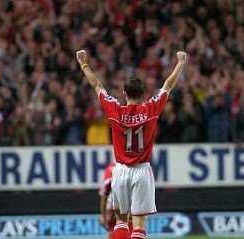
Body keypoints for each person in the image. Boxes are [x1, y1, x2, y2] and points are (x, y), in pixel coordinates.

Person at [77, 49, 187, 239]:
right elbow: (168, 85)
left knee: (120, 221)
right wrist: (180, 63)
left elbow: (97, 85)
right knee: (138, 225)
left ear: (124, 92)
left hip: (120, 171)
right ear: (144, 93)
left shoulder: (115, 110)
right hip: (142, 171)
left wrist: (83, 63)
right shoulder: (151, 108)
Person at [99, 162, 116, 239]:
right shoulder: (131, 164)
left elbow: (104, 193)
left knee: (114, 229)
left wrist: (103, 215)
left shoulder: (110, 167)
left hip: (111, 204)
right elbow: (105, 192)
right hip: (118, 205)